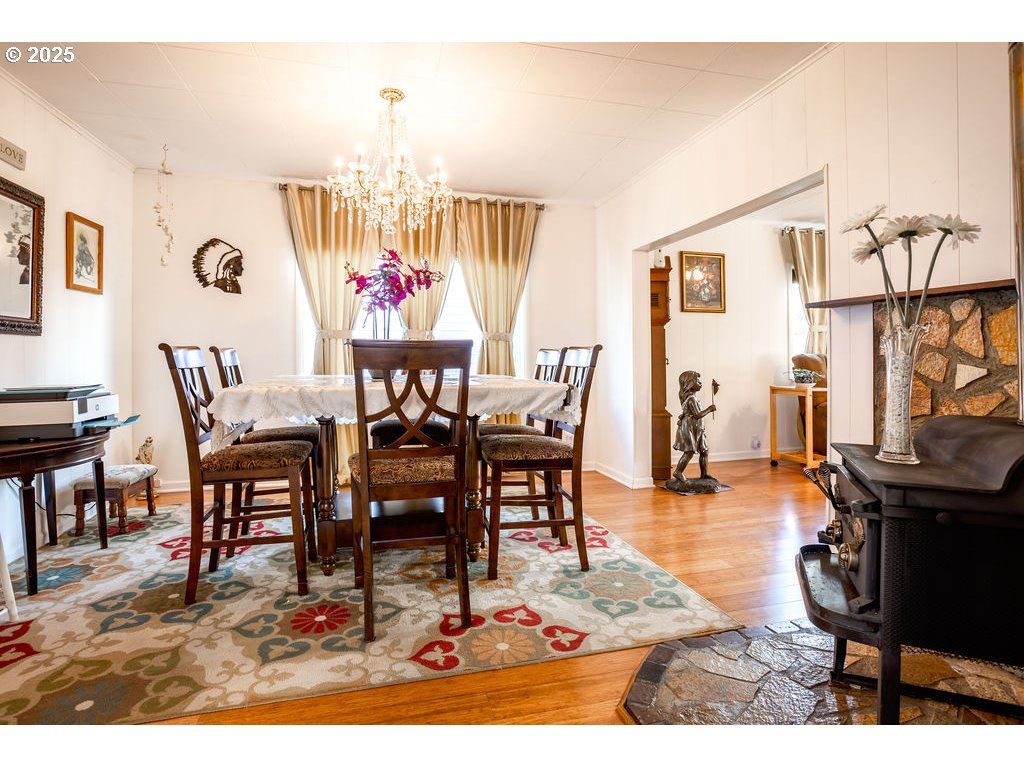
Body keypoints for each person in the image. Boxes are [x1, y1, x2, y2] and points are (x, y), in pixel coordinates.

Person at [667, 370, 720, 492]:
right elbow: (697, 415)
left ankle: (704, 474)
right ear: (690, 383)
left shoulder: (693, 398)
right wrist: (710, 409)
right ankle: (678, 471)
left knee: (704, 451)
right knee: (689, 452)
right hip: (690, 428)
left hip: (698, 429)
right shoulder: (691, 399)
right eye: (698, 380)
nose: (700, 383)